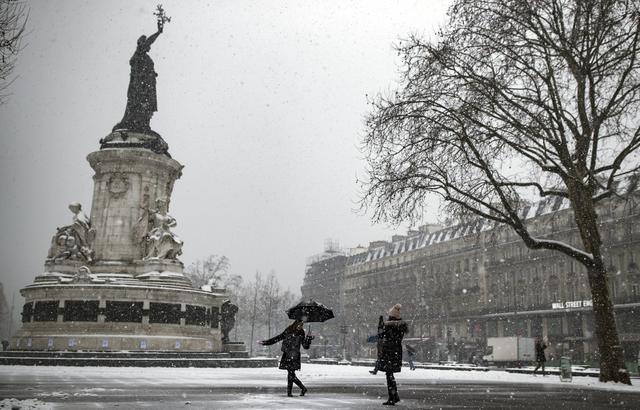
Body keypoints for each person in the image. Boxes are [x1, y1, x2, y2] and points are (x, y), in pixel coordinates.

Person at [260, 320, 313, 397]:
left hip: (294, 356)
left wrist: (308, 338)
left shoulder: (301, 333)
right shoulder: (288, 330)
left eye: (301, 325)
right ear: (295, 324)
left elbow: (305, 346)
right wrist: (266, 342)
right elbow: (278, 338)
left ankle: (292, 392)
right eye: (299, 325)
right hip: (287, 355)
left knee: (291, 374)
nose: (300, 327)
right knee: (291, 374)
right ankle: (299, 389)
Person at [378, 304, 408, 406]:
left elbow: (381, 335)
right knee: (390, 375)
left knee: (389, 375)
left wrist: (381, 325)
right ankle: (394, 396)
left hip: (390, 352)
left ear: (392, 317)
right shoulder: (400, 327)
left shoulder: (390, 327)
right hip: (395, 352)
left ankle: (392, 397)